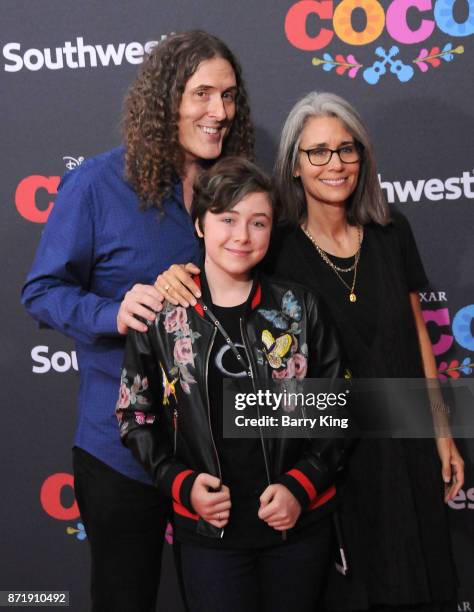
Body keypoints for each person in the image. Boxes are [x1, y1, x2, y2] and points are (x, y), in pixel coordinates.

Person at [153, 92, 464, 612]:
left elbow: (416, 339)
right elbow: (217, 283)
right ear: (294, 166)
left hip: (407, 440)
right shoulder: (274, 245)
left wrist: (442, 431)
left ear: (362, 157)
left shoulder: (392, 231)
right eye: (317, 151)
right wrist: (170, 278)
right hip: (331, 455)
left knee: (426, 583)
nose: (334, 164)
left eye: (347, 149)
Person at [21, 30, 254, 612]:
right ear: (166, 98)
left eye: (228, 97)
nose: (218, 112)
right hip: (120, 449)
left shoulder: (236, 192)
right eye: (202, 94)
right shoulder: (98, 184)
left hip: (218, 452)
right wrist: (116, 309)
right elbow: (42, 290)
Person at [116, 157, 346, 612]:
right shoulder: (162, 317)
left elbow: (340, 409)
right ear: (200, 224)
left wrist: (301, 486)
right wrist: (181, 484)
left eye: (258, 222)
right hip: (207, 535)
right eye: (227, 219)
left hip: (296, 529)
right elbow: (134, 415)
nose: (242, 236)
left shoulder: (300, 308)